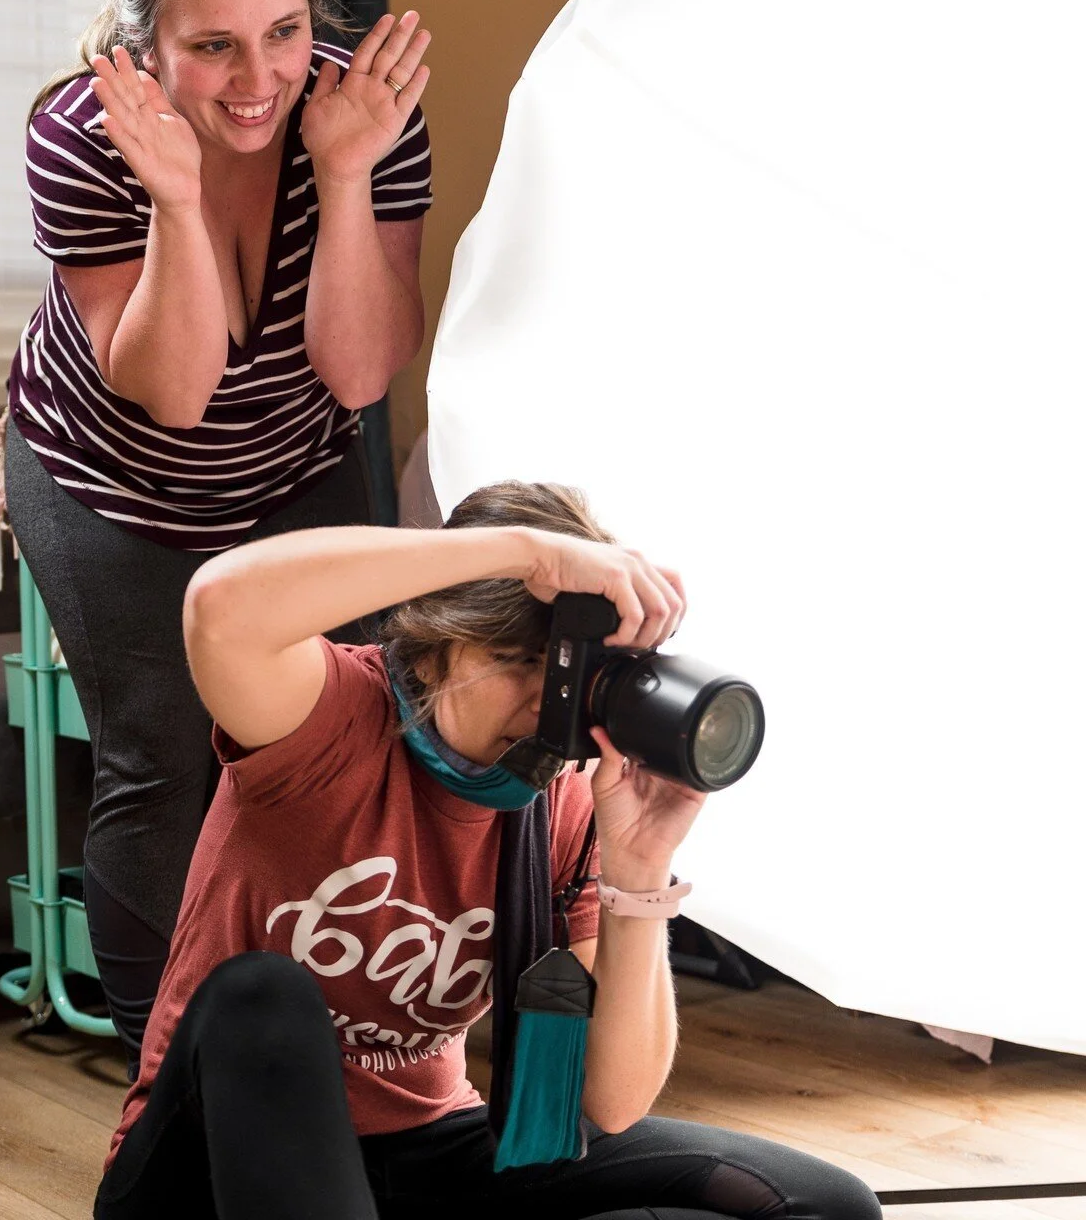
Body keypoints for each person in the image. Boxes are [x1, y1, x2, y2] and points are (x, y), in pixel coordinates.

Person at [92, 482, 882, 1220]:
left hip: (431, 1152)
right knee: (260, 994)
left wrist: (638, 869)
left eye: (568, 670)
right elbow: (220, 607)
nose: (545, 701)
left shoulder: (568, 801)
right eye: (517, 660)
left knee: (820, 1202)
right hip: (210, 1167)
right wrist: (525, 554)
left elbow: (611, 1103)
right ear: (432, 648)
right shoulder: (330, 718)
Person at [2, 0, 433, 1063]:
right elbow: (174, 394)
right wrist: (177, 202)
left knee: (348, 744)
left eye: (285, 32)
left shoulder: (364, 115)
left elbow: (360, 374)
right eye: (213, 47)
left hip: (292, 462)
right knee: (162, 757)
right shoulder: (81, 136)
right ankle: (164, 1080)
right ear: (144, 47)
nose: (258, 81)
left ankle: (340, 1050)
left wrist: (344, 172)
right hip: (112, 478)